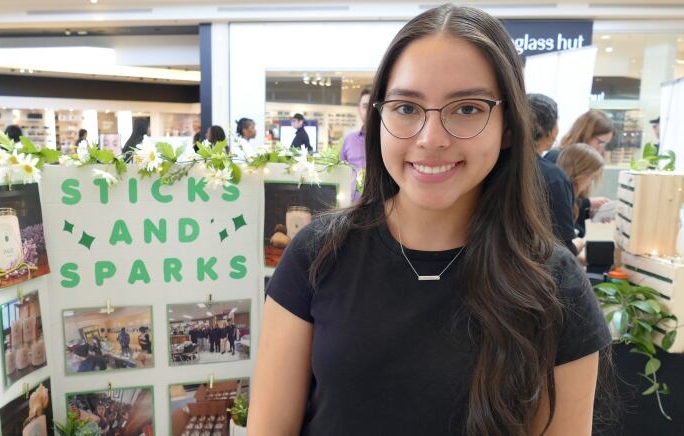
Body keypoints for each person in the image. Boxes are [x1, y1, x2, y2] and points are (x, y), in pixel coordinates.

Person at [250, 5, 611, 436]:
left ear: (508, 127)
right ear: (379, 119)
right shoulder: (318, 252)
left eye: (467, 109)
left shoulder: (554, 284)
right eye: (406, 108)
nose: (431, 139)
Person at [527, 94, 578, 256]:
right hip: (535, 270)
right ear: (551, 130)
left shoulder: (490, 165)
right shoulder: (553, 178)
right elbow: (563, 245)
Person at [556, 143, 606, 258]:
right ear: (580, 173)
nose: (590, 184)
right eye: (592, 178)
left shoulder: (565, 195)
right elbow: (567, 251)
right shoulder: (561, 198)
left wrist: (589, 214)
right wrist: (581, 243)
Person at [544, 109, 614, 163]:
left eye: (605, 144)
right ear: (585, 135)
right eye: (600, 143)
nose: (602, 150)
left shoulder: (587, 162)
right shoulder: (556, 157)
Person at [341, 87, 372, 201]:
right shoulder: (349, 139)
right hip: (352, 204)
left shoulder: (387, 140)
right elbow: (342, 172)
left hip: (381, 206)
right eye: (365, 106)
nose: (369, 110)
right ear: (359, 109)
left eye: (373, 106)